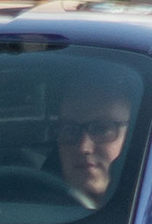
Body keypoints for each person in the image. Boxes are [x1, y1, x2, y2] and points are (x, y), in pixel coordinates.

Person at [55, 77, 134, 208]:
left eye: (102, 129)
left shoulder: (150, 213)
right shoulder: (31, 211)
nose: (83, 147)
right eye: (70, 130)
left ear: (133, 134)